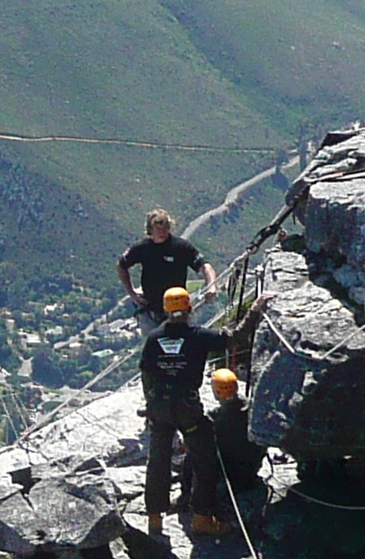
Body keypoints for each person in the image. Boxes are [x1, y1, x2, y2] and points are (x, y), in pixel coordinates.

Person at [138, 284, 219, 540]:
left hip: (160, 408)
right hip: (188, 409)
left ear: (165, 309)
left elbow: (146, 373)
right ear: (189, 308)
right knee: (204, 457)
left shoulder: (154, 338)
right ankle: (202, 517)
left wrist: (150, 403)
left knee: (158, 459)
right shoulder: (198, 335)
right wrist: (257, 308)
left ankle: (154, 518)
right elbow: (234, 337)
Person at [188, 369, 270, 527]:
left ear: (216, 391)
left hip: (230, 473)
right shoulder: (251, 409)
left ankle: (188, 498)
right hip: (250, 470)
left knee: (195, 452)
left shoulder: (219, 420)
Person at [116, 209, 209, 334]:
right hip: (151, 310)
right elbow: (121, 265)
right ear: (150, 230)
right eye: (158, 228)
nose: (162, 232)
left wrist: (211, 285)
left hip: (178, 310)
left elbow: (205, 266)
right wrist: (131, 293)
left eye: (165, 227)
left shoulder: (181, 247)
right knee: (154, 348)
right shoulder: (142, 248)